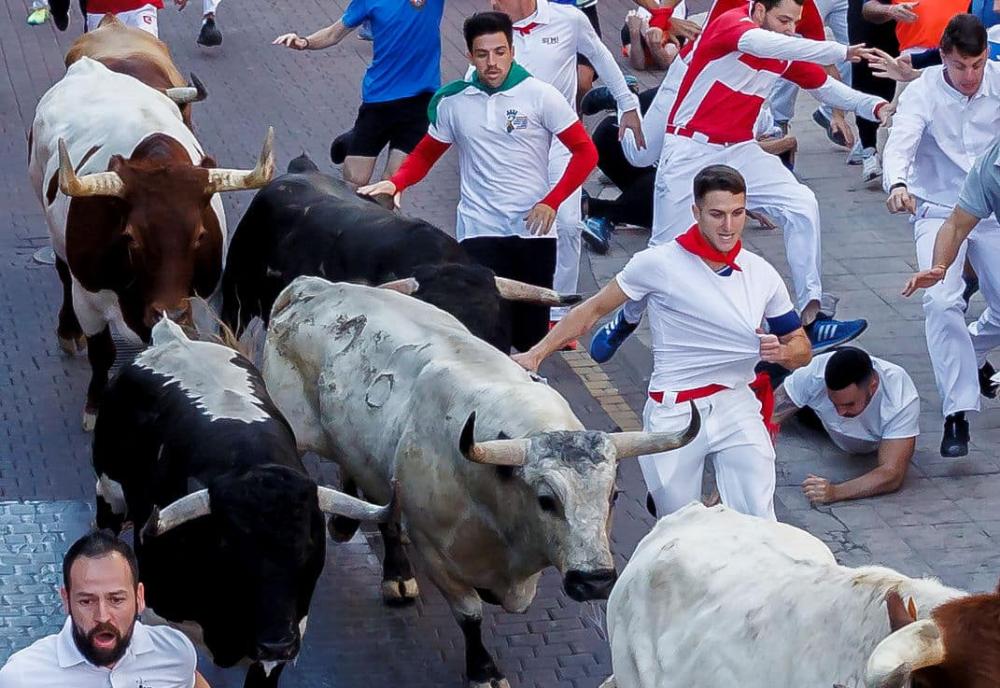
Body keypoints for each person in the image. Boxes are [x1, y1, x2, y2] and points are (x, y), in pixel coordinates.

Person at [590, 0, 889, 364]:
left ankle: (810, 317)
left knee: (802, 203)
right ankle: (627, 318)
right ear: (759, 12)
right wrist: (841, 49)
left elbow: (825, 86)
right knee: (662, 251)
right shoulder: (734, 25)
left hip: (741, 149)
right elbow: (768, 45)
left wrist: (875, 107)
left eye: (795, 22)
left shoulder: (784, 46)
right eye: (783, 20)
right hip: (691, 148)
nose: (790, 29)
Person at [514, 165, 811, 520]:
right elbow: (593, 309)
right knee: (677, 528)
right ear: (695, 212)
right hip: (675, 410)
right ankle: (629, 316)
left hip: (737, 403)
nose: (728, 226)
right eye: (717, 214)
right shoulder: (657, 263)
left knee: (759, 521)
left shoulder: (762, 272)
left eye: (737, 213)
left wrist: (785, 353)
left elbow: (800, 344)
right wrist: (536, 354)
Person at [357, 11, 597, 352]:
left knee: (530, 338)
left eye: (500, 52)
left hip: (533, 232)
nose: (492, 63)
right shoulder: (454, 102)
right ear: (470, 55)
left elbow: (586, 152)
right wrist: (397, 183)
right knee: (487, 335)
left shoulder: (541, 96)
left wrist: (552, 201)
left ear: (512, 51)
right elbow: (426, 154)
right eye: (482, 54)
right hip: (478, 229)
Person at [884, 14, 1000, 457]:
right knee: (940, 299)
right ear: (944, 58)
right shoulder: (924, 90)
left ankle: (965, 353)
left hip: (989, 208)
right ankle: (957, 411)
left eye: (976, 66)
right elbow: (902, 140)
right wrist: (896, 183)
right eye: (959, 67)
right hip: (937, 209)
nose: (968, 77)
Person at [489, 0, 643, 332]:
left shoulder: (569, 20)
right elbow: (478, 81)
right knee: (517, 227)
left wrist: (627, 104)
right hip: (516, 148)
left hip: (563, 144)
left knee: (569, 226)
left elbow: (601, 56)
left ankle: (560, 315)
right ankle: (516, 303)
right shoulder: (493, 32)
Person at [0, 531, 208, 688]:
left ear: (139, 597)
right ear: (66, 600)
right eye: (86, 601)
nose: (102, 616)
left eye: (116, 599)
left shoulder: (174, 652)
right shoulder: (21, 677)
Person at [274, 0, 444, 189]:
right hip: (379, 101)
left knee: (392, 184)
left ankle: (383, 213)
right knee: (354, 184)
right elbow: (333, 34)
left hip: (420, 101)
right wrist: (304, 42)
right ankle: (353, 139)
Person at [773, 347, 919, 504]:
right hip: (815, 415)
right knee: (765, 379)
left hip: (868, 437)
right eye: (834, 402)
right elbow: (767, 418)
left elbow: (892, 475)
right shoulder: (814, 374)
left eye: (849, 404)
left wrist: (835, 492)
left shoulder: (899, 397)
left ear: (873, 386)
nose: (841, 412)